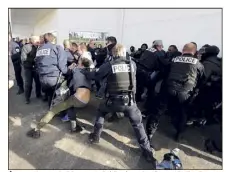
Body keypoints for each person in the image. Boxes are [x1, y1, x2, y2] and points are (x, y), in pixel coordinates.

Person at [82, 44, 156, 164]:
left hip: (112, 102)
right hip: (130, 102)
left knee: (101, 111)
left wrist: (85, 71)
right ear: (124, 53)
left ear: (113, 54)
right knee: (138, 125)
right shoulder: (132, 64)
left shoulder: (110, 65)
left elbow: (96, 76)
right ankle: (147, 153)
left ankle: (95, 136)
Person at [146, 43, 205, 142]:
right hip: (185, 92)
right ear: (195, 52)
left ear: (183, 50)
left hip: (169, 88)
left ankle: (149, 133)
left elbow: (165, 72)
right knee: (183, 113)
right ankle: (178, 135)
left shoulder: (175, 59)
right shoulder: (199, 64)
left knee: (158, 111)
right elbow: (201, 80)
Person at [26, 57, 93, 138]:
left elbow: (66, 72)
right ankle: (74, 128)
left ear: (81, 65)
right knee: (71, 109)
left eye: (79, 62)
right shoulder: (88, 72)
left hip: (77, 98)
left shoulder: (76, 70)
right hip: (86, 101)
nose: (77, 62)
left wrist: (71, 67)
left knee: (53, 111)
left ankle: (37, 129)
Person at [35, 33, 68, 107]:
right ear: (53, 39)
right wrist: (67, 72)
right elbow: (62, 66)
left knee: (49, 94)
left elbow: (37, 63)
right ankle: (54, 110)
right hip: (54, 77)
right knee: (57, 95)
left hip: (42, 77)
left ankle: (50, 106)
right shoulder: (57, 48)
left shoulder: (39, 49)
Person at [21, 36, 42, 104]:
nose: (38, 42)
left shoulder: (40, 47)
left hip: (36, 68)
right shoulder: (26, 47)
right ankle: (27, 98)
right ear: (32, 41)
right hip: (28, 68)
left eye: (38, 41)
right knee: (28, 84)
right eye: (37, 41)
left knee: (38, 82)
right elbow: (23, 58)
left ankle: (38, 94)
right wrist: (32, 59)